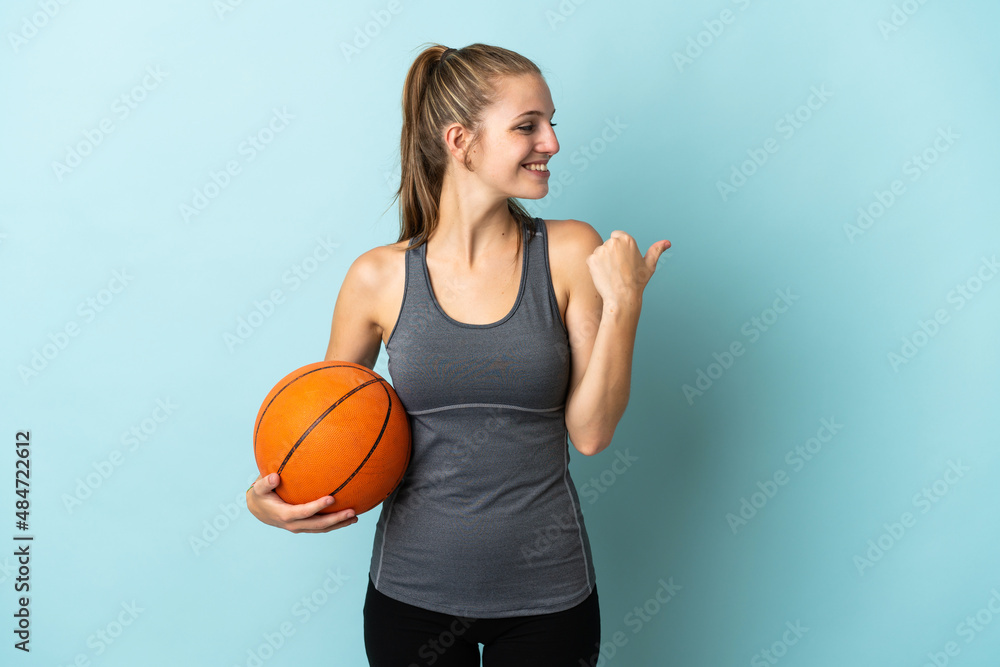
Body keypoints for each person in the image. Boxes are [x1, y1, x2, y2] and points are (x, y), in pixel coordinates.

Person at [246, 42, 670, 666]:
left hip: (548, 599)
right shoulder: (378, 279)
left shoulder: (570, 252)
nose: (551, 142)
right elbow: (328, 424)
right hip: (410, 597)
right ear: (459, 139)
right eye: (528, 126)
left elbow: (591, 433)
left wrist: (626, 303)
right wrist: (271, 499)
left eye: (552, 124)